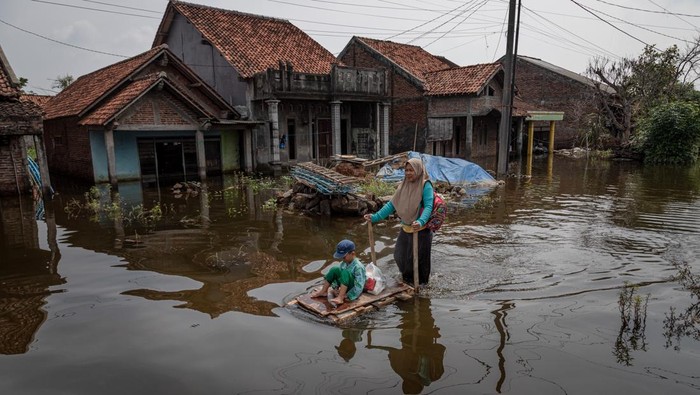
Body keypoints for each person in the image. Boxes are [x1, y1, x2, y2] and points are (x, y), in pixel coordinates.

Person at [364, 157, 434, 286]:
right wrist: (375, 217)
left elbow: (429, 206)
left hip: (421, 230)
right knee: (399, 256)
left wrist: (421, 221)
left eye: (411, 170)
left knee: (419, 262)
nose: (408, 173)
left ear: (418, 171)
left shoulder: (425, 185)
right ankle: (407, 282)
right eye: (406, 170)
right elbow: (392, 205)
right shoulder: (403, 185)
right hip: (406, 228)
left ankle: (422, 287)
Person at [310, 239, 366, 306]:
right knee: (334, 269)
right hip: (344, 286)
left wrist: (349, 295)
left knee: (345, 272)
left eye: (344, 257)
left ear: (352, 254)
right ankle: (323, 291)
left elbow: (359, 286)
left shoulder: (358, 267)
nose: (342, 259)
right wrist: (335, 288)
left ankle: (340, 297)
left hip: (352, 288)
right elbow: (338, 277)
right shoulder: (344, 263)